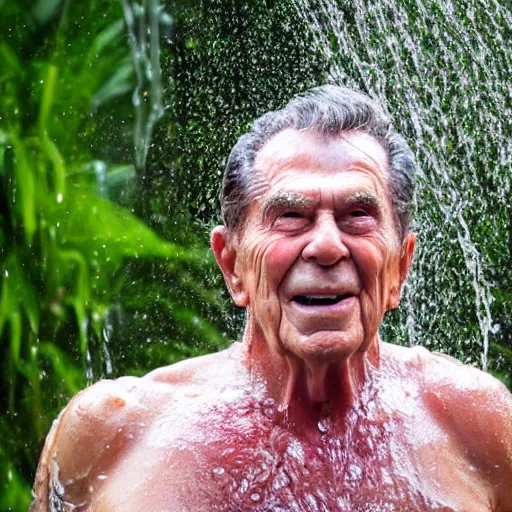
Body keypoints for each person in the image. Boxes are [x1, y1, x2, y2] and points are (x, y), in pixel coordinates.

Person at [31, 86, 512, 512]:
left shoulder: (478, 427)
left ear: (399, 267)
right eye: (291, 216)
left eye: (358, 214)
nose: (326, 245)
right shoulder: (111, 434)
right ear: (233, 264)